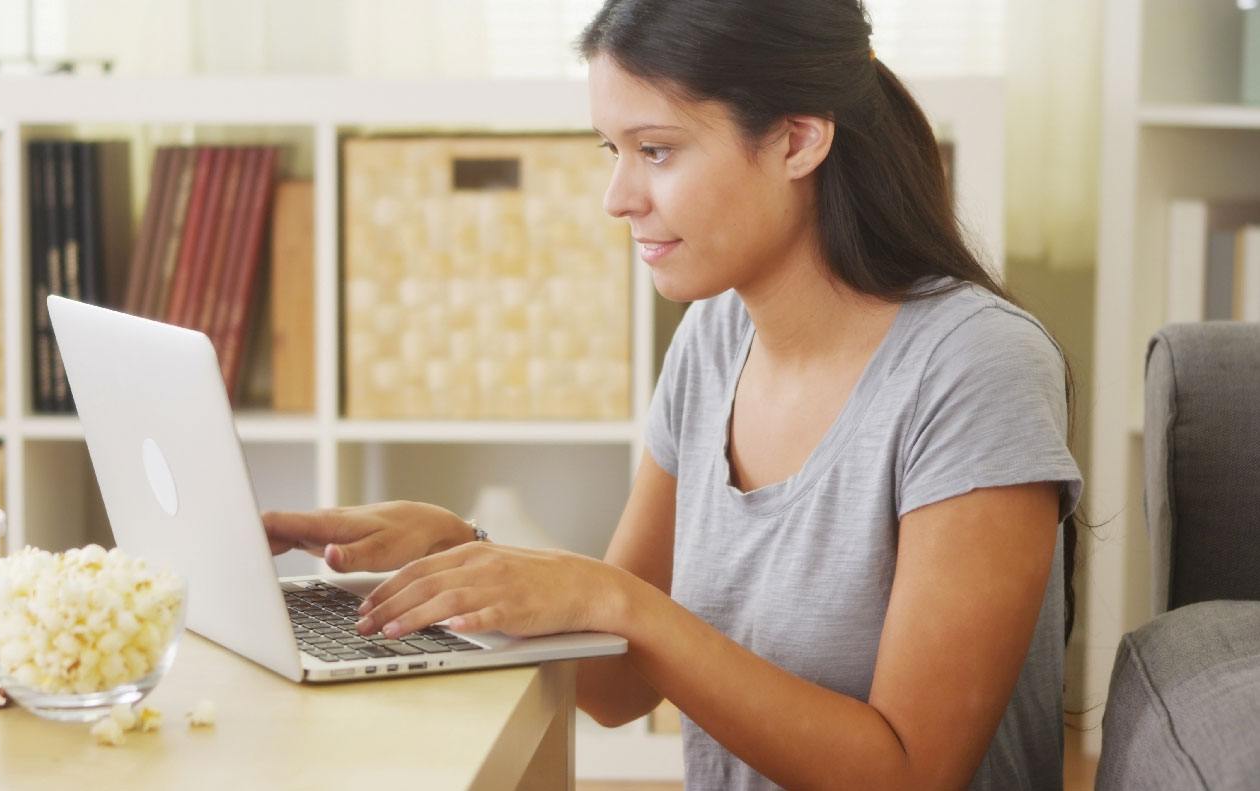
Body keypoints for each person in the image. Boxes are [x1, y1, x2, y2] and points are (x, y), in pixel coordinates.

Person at [263, 1, 1083, 788]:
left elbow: (908, 773)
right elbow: (619, 689)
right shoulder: (715, 337)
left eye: (655, 149)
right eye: (610, 150)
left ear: (798, 139)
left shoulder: (977, 370)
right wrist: (461, 558)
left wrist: (618, 600)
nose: (618, 196)